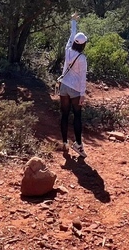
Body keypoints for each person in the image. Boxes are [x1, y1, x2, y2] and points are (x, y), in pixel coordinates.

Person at [59, 12, 88, 157]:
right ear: (83, 45)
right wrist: (82, 94)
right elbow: (83, 78)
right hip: (76, 89)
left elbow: (72, 35)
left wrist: (73, 21)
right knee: (77, 116)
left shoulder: (68, 50)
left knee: (64, 114)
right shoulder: (82, 59)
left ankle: (64, 143)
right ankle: (78, 145)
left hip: (64, 85)